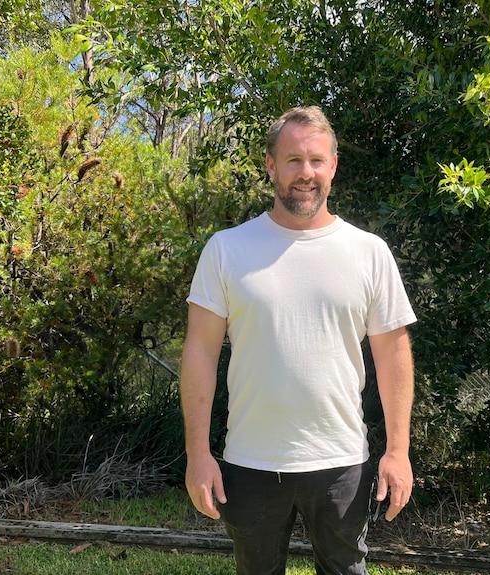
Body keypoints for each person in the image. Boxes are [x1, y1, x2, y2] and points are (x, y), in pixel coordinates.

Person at [180, 105, 416, 575]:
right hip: (249, 463)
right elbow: (200, 352)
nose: (304, 173)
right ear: (271, 165)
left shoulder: (368, 253)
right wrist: (197, 455)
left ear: (332, 167)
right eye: (292, 160)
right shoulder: (227, 250)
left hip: (341, 460)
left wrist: (398, 450)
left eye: (316, 160)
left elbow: (392, 354)